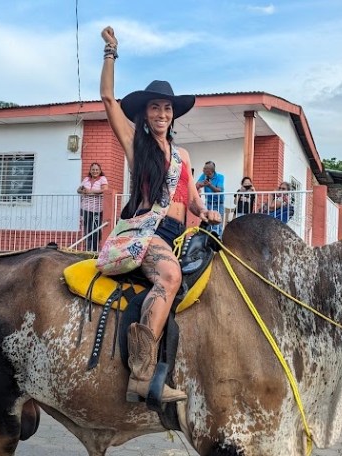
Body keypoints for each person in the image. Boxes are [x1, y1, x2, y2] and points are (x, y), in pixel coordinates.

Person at [100, 26, 221, 404]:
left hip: (177, 235)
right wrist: (110, 52)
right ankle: (141, 374)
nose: (162, 113)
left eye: (167, 108)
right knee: (168, 276)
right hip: (146, 232)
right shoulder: (137, 147)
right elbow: (106, 98)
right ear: (144, 112)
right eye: (155, 107)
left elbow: (193, 199)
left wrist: (205, 212)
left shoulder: (183, 156)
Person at [77, 162, 108, 251]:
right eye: (93, 169)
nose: (95, 171)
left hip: (97, 209)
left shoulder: (102, 179)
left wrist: (90, 191)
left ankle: (94, 250)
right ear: (90, 171)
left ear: (100, 170)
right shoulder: (86, 179)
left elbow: (105, 190)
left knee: (95, 229)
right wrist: (83, 191)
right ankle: (87, 249)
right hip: (85, 208)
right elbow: (79, 190)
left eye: (97, 170)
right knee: (87, 229)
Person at [195, 161, 224, 235]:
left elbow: (219, 190)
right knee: (207, 222)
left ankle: (217, 242)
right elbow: (196, 186)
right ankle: (207, 241)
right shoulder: (203, 176)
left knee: (217, 224)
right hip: (208, 203)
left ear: (210, 171)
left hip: (218, 204)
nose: (203, 170)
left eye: (205, 168)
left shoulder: (220, 177)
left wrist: (209, 185)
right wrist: (200, 185)